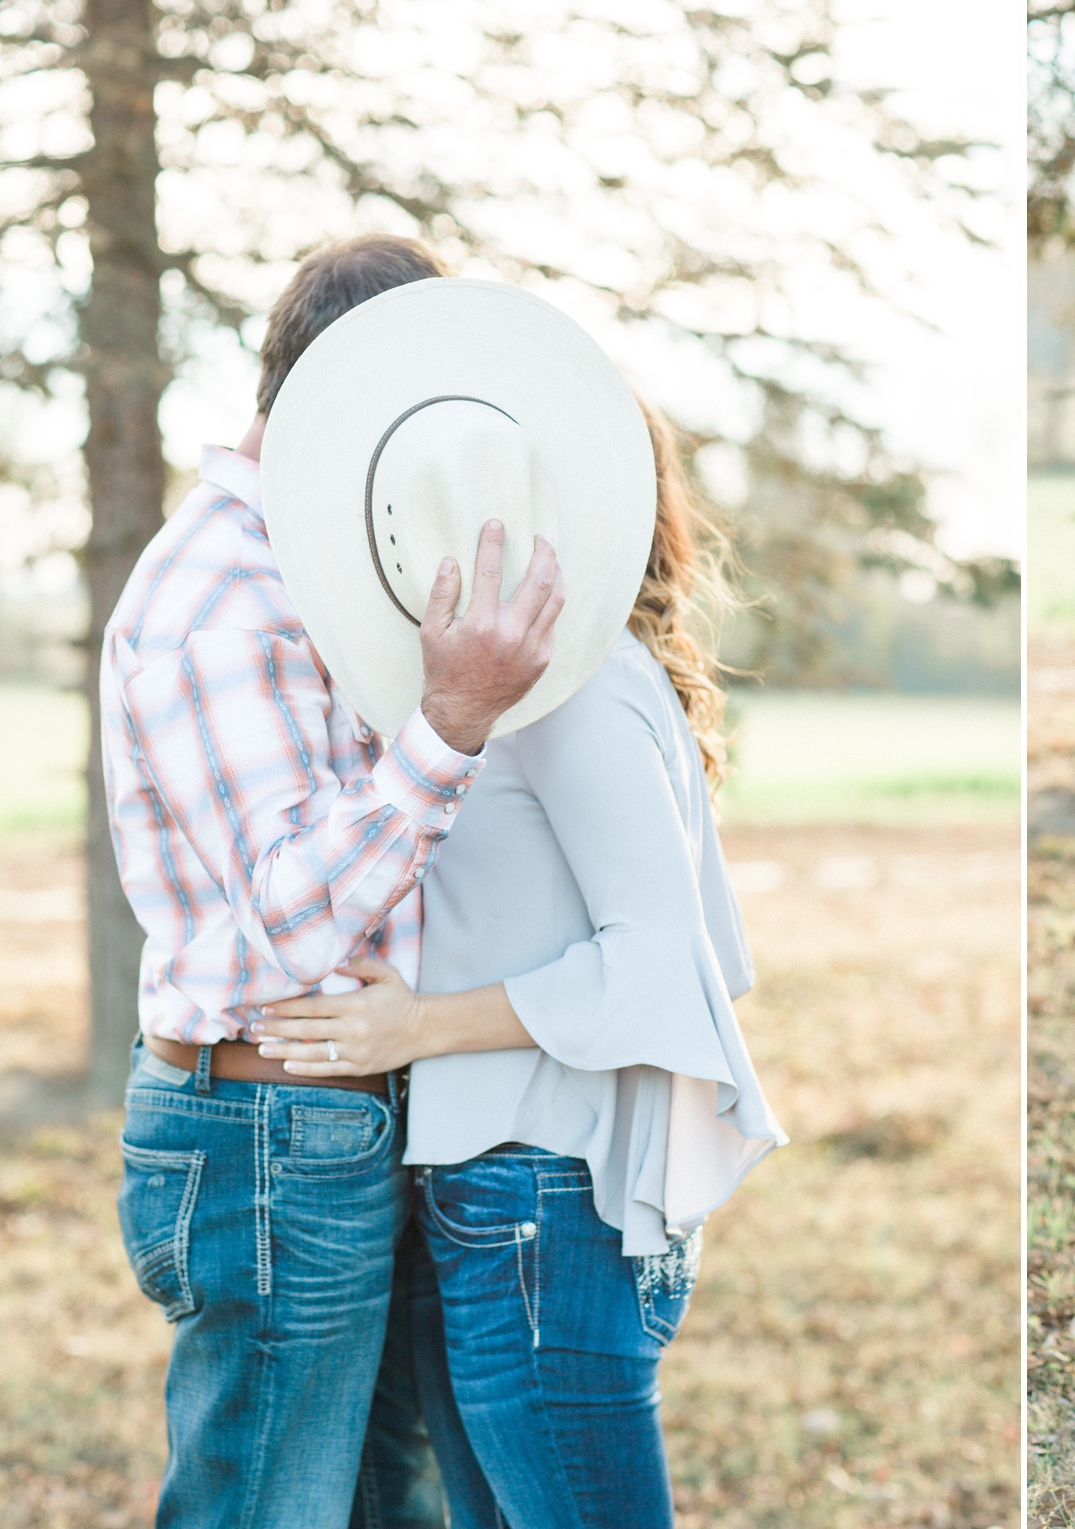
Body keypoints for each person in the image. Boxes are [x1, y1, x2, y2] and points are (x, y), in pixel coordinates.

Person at [245, 317, 785, 1522]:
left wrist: (415, 1028)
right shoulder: (526, 688)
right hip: (502, 1196)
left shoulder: (573, 695)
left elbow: (661, 974)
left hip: (540, 1203)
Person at [105, 236, 564, 1528]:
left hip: (336, 1122)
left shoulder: (311, 561)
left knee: (376, 1507)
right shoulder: (221, 596)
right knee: (266, 1509)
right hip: (266, 1130)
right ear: (329, 396)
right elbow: (296, 912)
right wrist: (453, 723)